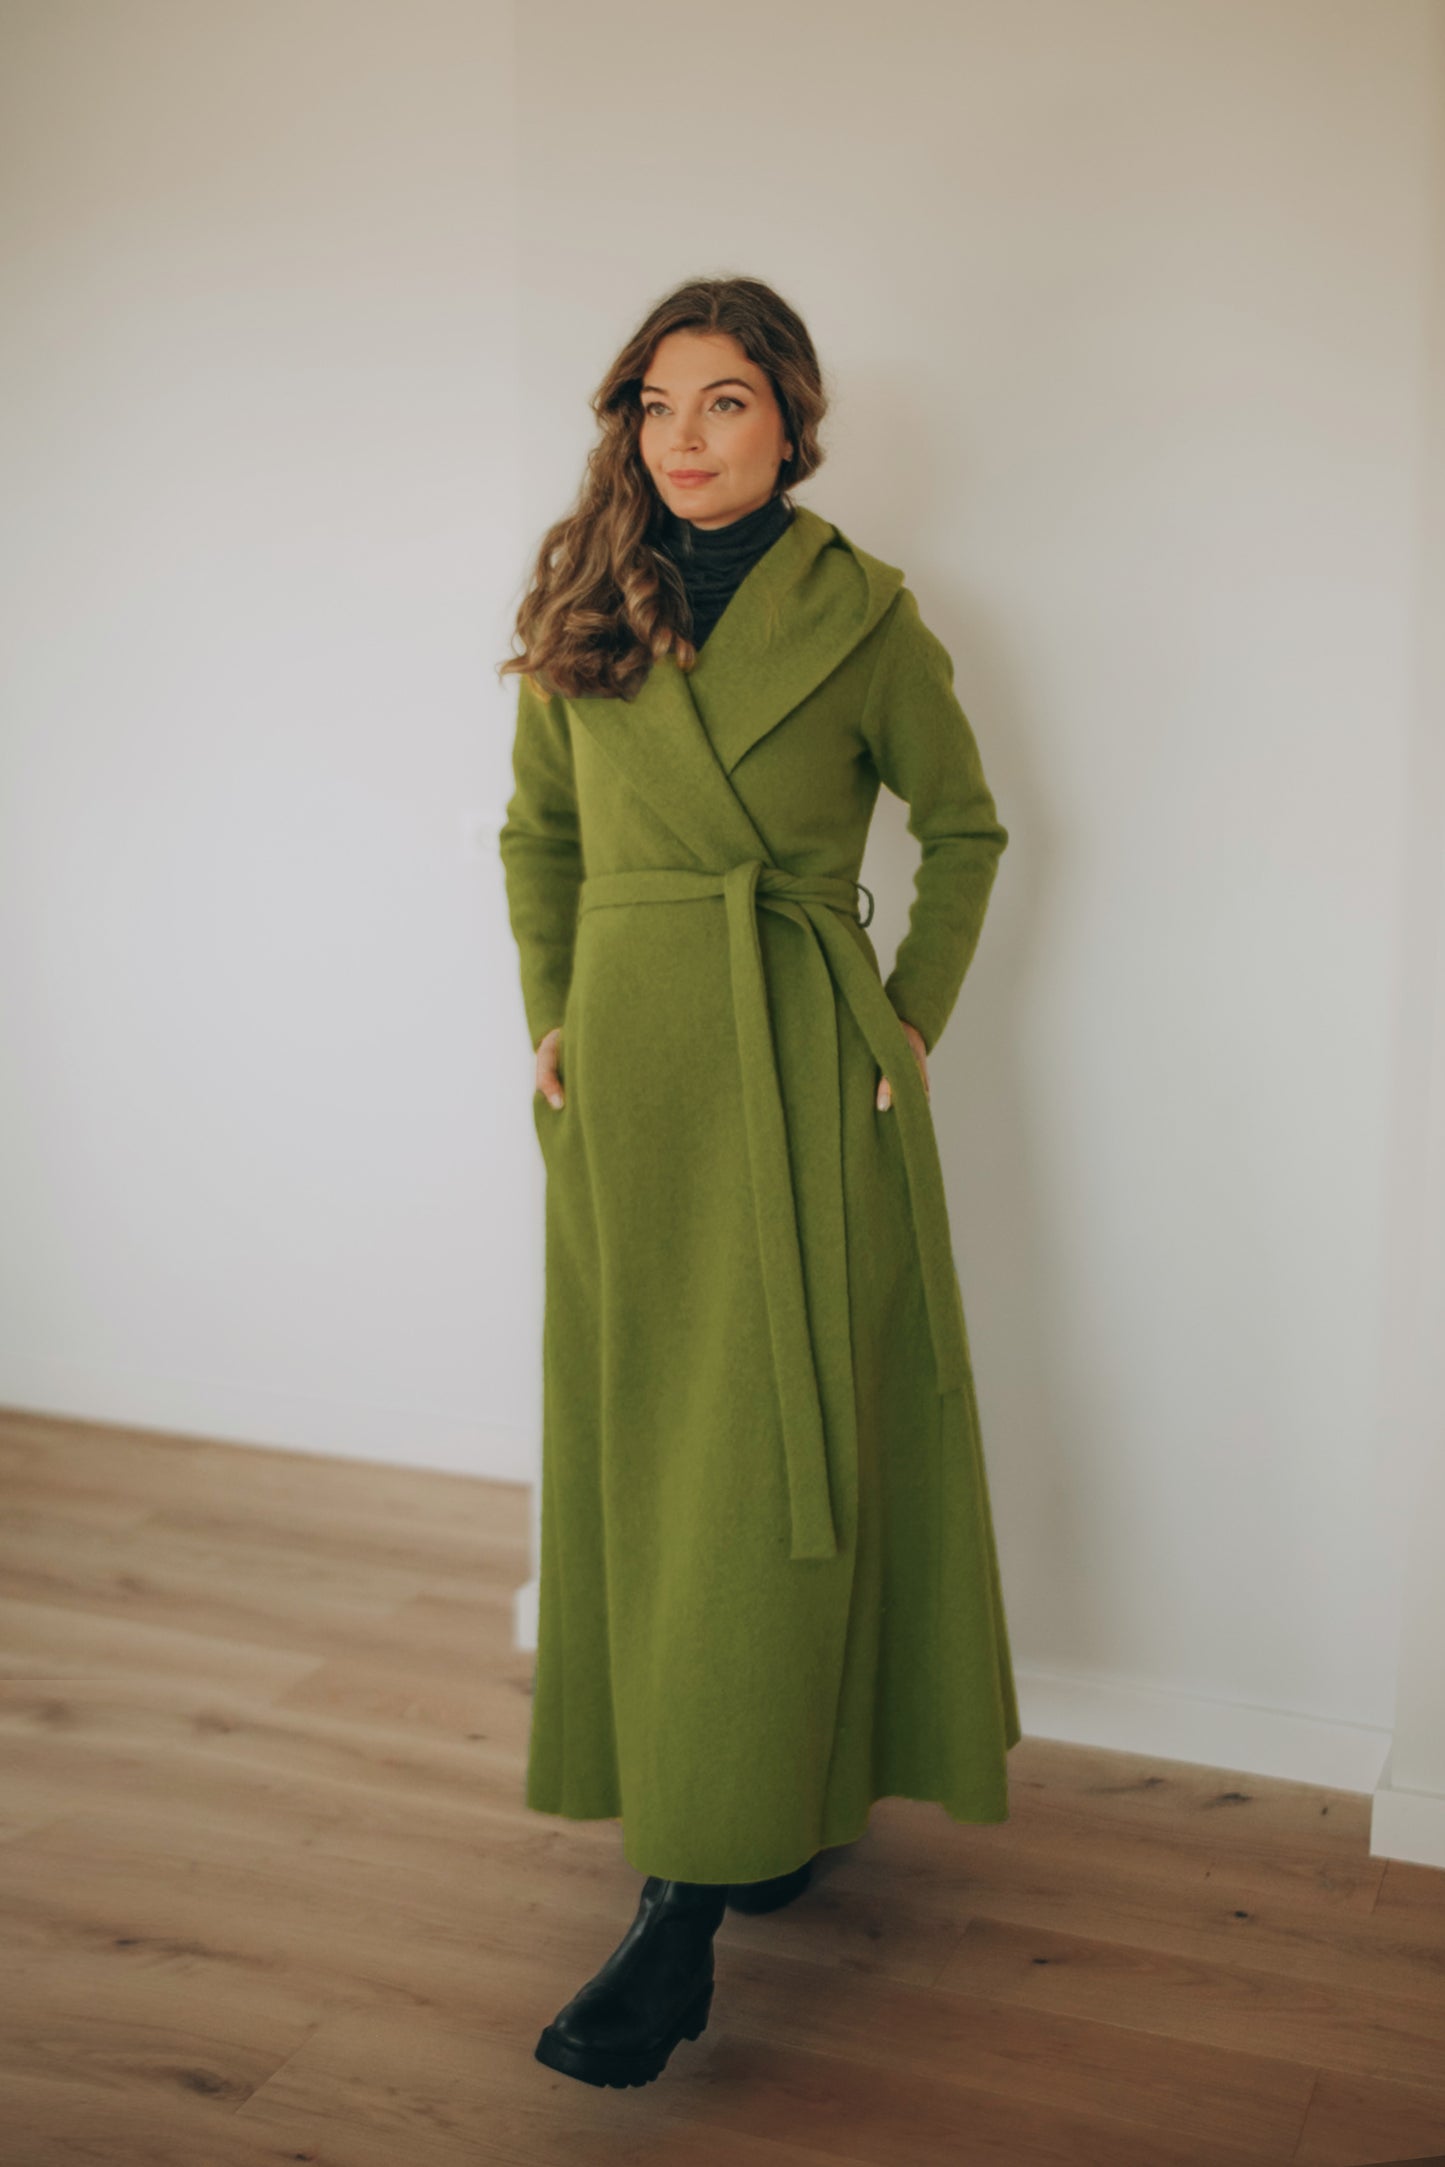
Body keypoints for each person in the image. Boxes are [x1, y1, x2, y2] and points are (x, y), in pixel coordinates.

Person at [497, 274, 1020, 2091]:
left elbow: (963, 828)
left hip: (803, 1064)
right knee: (662, 1454)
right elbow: (538, 831)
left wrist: (905, 1027)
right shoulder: (582, 601)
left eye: (721, 404)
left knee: (781, 1460)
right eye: (654, 406)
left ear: (791, 419)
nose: (682, 439)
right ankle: (748, 1812)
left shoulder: (865, 619)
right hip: (633, 1077)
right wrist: (553, 1011)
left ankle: (676, 1917)